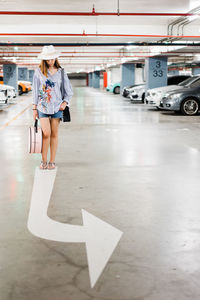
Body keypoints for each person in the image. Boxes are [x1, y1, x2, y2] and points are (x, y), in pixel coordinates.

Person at [32, 45, 73, 170]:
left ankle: (51, 161)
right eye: (48, 59)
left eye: (52, 59)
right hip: (42, 107)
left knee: (54, 134)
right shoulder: (38, 72)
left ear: (55, 58)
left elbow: (68, 90)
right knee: (46, 134)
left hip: (57, 108)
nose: (50, 61)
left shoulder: (61, 72)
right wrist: (34, 108)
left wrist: (64, 103)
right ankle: (43, 160)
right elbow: (35, 90)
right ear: (44, 59)